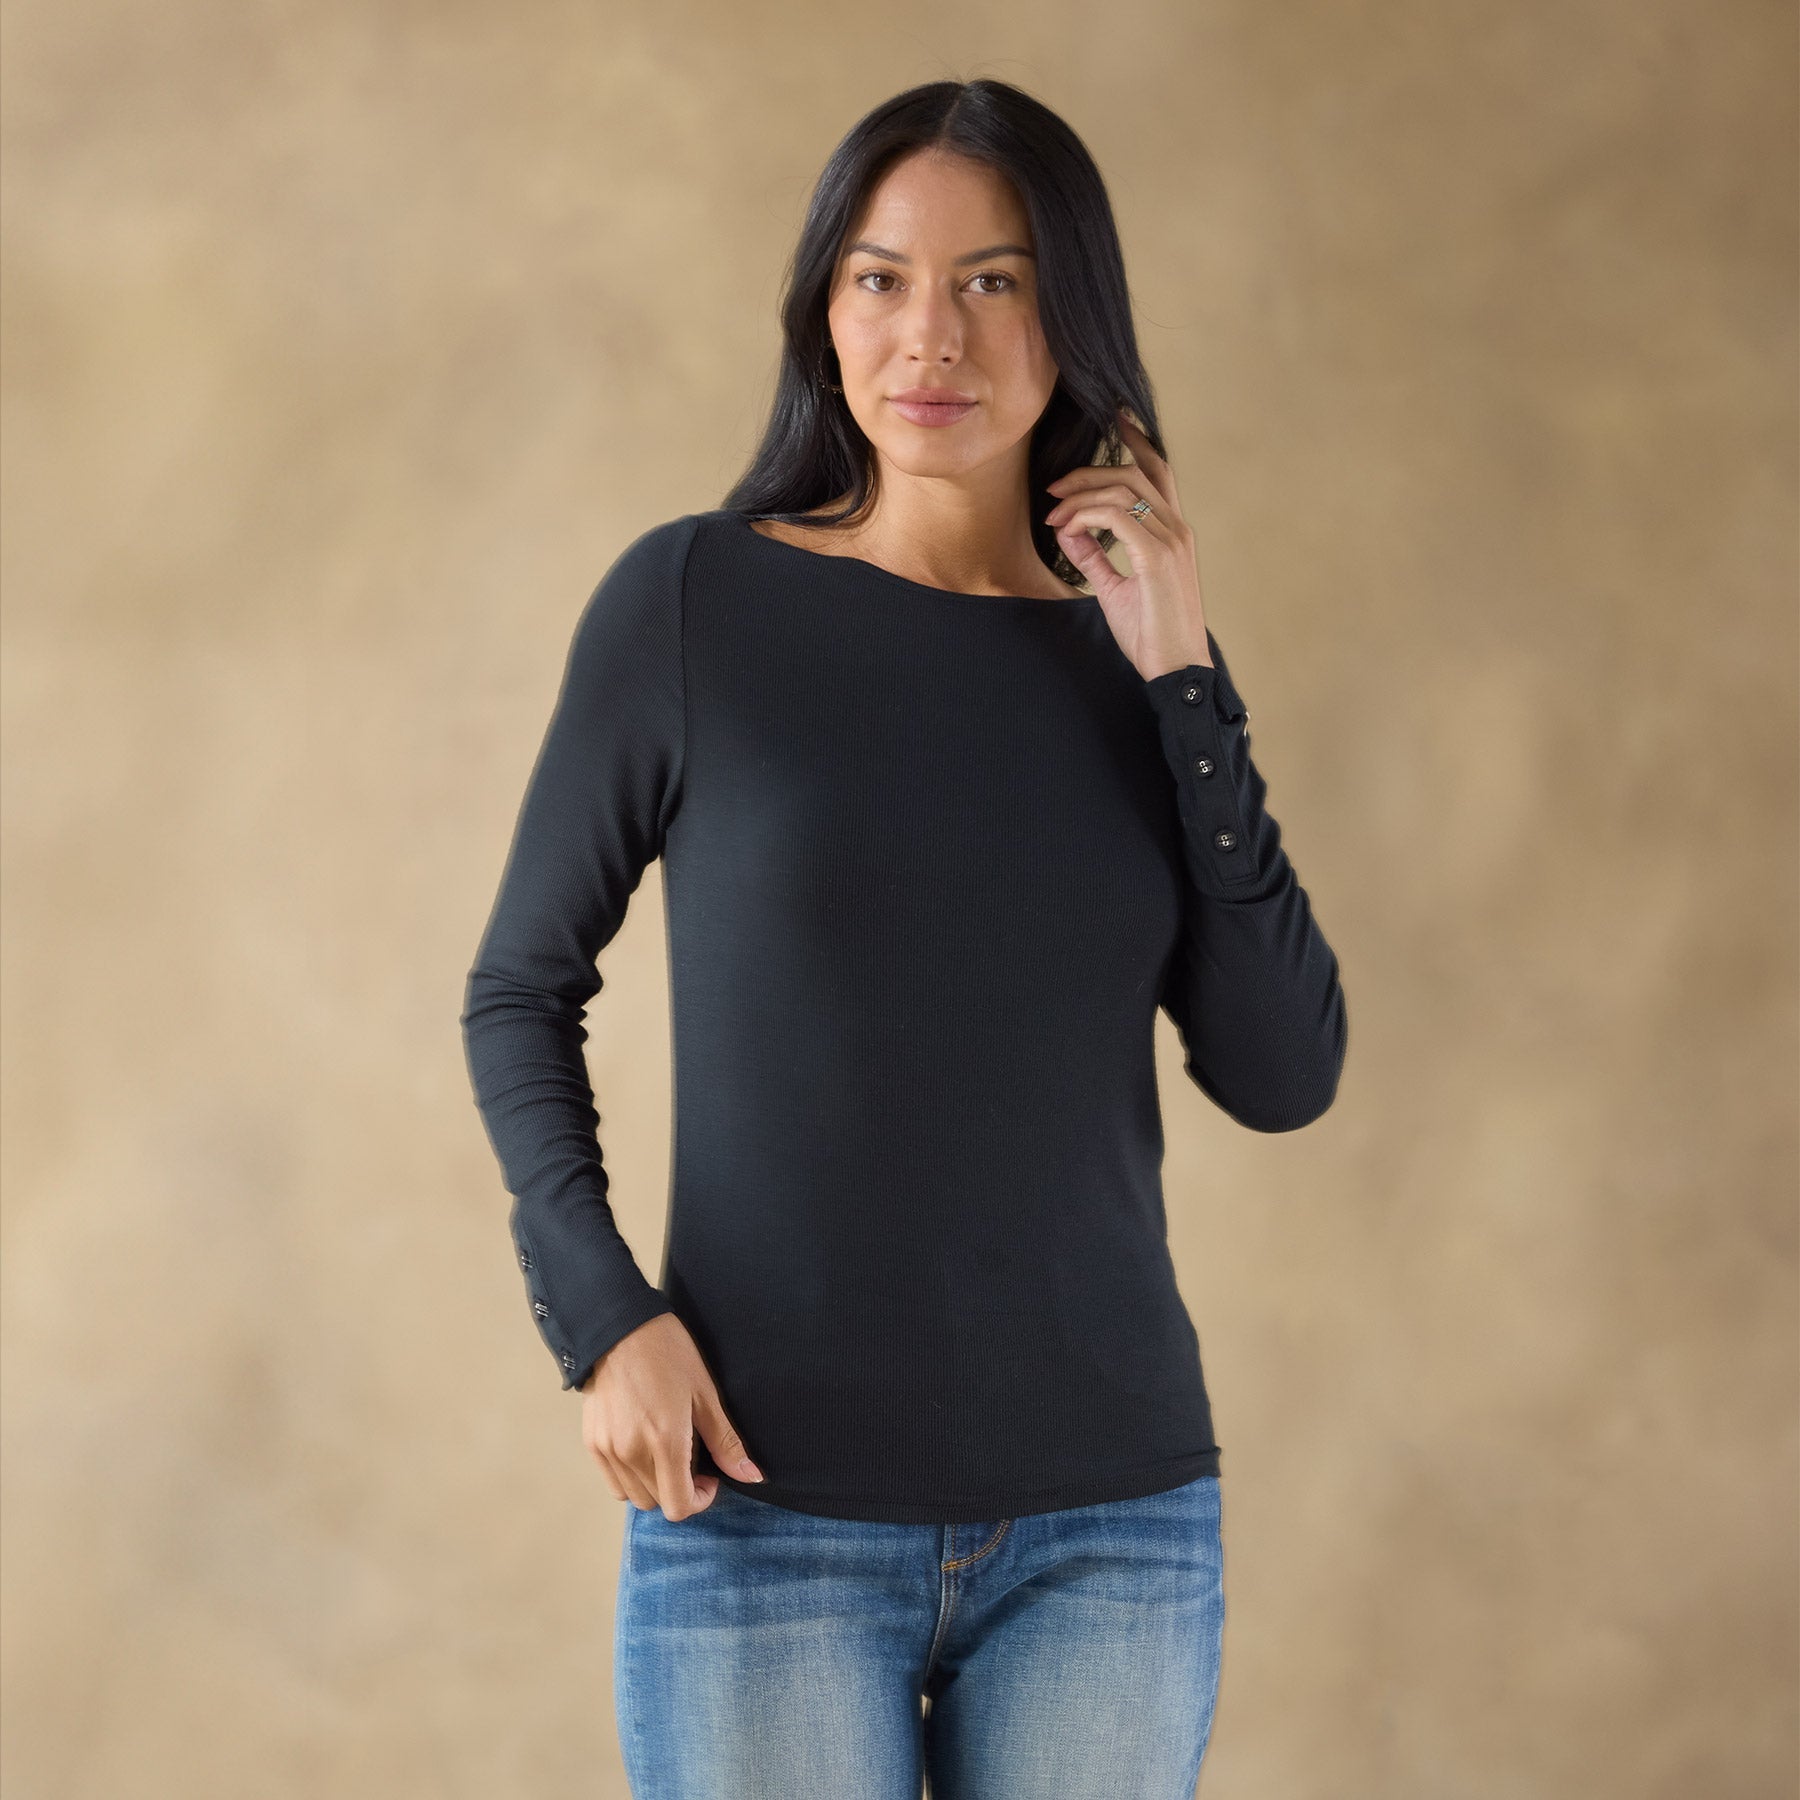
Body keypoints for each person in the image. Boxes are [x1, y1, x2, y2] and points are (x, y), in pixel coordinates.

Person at [461, 76, 1348, 1800]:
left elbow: (1282, 1073)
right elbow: (520, 987)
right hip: (762, 1516)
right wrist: (604, 1316)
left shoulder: (1146, 668)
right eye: (880, 279)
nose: (929, 335)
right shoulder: (695, 604)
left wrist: (1183, 671)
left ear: (1071, 319)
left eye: (992, 282)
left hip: (1111, 1530)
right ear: (824, 310)